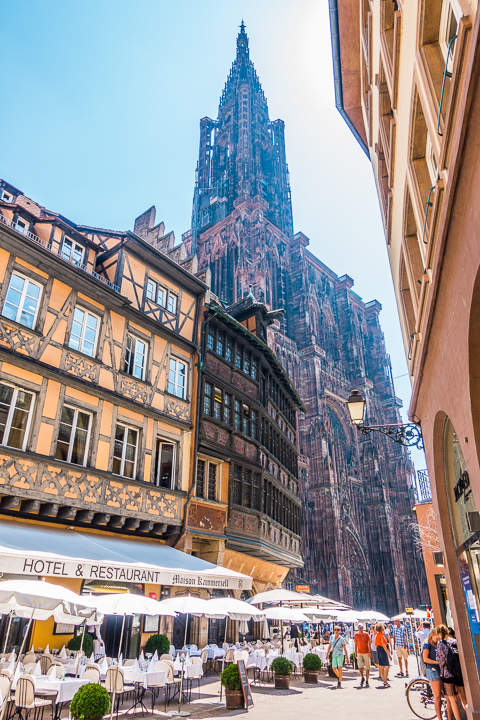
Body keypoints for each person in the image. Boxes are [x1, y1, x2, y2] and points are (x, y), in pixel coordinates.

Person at [436, 624, 467, 710]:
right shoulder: (455, 641)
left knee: (453, 701)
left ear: (439, 633)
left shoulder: (440, 643)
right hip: (457, 672)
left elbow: (441, 661)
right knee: (463, 698)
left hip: (447, 674)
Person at [423, 630, 443, 720]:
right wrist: (437, 662)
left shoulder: (437, 644)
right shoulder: (427, 644)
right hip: (432, 670)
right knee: (437, 697)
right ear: (432, 635)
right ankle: (440, 718)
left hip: (439, 670)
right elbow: (425, 659)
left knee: (441, 695)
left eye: (439, 638)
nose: (437, 640)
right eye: (436, 638)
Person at [354, 623, 372, 688]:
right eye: (359, 627)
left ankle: (367, 680)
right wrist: (355, 651)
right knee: (360, 666)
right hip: (359, 652)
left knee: (367, 667)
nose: (360, 628)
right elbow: (355, 643)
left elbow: (369, 642)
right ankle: (362, 677)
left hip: (366, 652)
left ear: (363, 628)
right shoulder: (356, 634)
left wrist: (370, 651)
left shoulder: (366, 634)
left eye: (361, 627)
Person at [375, 623, 392, 688]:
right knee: (387, 666)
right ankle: (385, 680)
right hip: (382, 650)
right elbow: (384, 646)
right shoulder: (381, 636)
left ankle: (384, 681)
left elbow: (375, 644)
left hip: (378, 649)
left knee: (381, 666)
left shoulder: (377, 635)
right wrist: (389, 654)